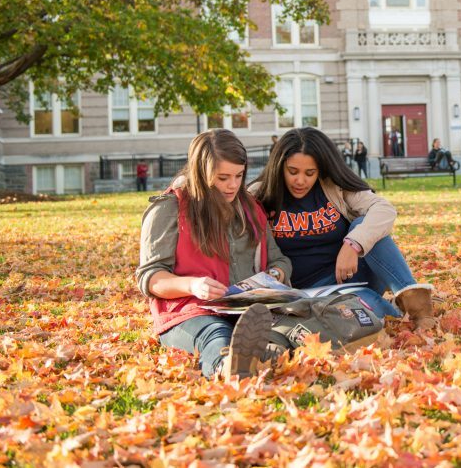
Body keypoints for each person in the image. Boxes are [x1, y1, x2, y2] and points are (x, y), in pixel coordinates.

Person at [136, 129, 293, 378]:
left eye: (239, 176)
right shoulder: (169, 208)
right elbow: (151, 278)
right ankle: (227, 368)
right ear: (201, 173)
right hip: (190, 310)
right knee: (217, 335)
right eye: (222, 178)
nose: (232, 185)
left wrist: (275, 274)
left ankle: (264, 357)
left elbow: (279, 260)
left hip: (246, 308)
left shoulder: (250, 209)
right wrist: (194, 285)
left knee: (283, 331)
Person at [249, 127, 435, 329]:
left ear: (320, 169)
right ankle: (389, 308)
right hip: (302, 292)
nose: (300, 180)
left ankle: (418, 308)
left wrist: (353, 244)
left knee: (363, 224)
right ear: (279, 166)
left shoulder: (334, 187)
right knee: (363, 308)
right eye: (292, 171)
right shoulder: (258, 195)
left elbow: (384, 209)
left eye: (310, 173)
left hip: (349, 277)